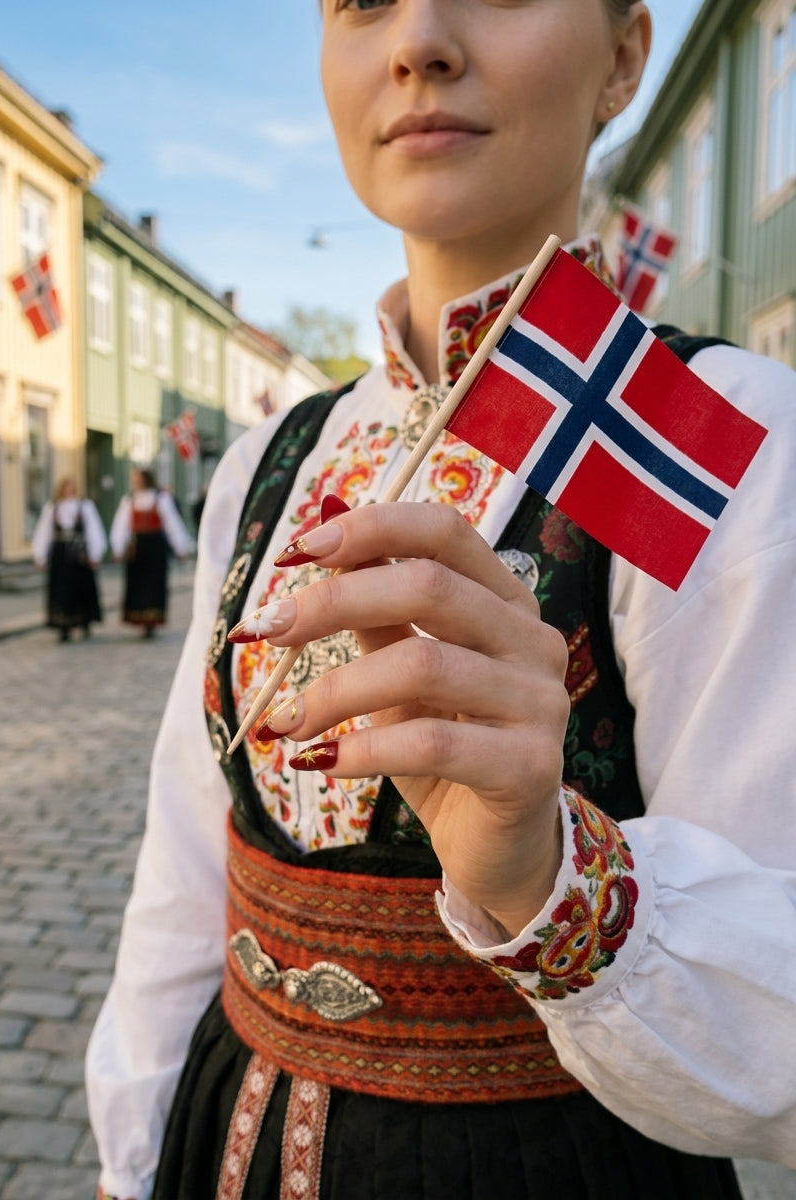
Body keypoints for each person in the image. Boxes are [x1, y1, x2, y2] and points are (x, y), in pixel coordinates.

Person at [86, 2, 796, 1198]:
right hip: (230, 1135)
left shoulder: (715, 444)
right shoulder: (268, 459)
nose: (418, 39)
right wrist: (129, 1156)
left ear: (622, 54)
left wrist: (548, 879)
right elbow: (182, 874)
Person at [109, 467, 193, 638]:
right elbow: (121, 525)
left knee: (154, 583)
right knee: (138, 584)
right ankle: (140, 617)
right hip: (137, 548)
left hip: (155, 547)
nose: (136, 482)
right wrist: (118, 547)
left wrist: (180, 547)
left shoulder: (161, 499)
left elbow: (172, 523)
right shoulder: (129, 500)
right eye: (134, 479)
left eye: (138, 478)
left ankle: (152, 620)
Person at [31, 476, 106, 642]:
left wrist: (95, 554)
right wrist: (40, 555)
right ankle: (63, 626)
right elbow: (44, 532)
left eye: (72, 486)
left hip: (79, 554)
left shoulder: (85, 507)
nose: (69, 490)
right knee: (61, 590)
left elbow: (94, 530)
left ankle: (84, 621)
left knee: (82, 587)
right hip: (60, 555)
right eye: (66, 487)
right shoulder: (53, 508)